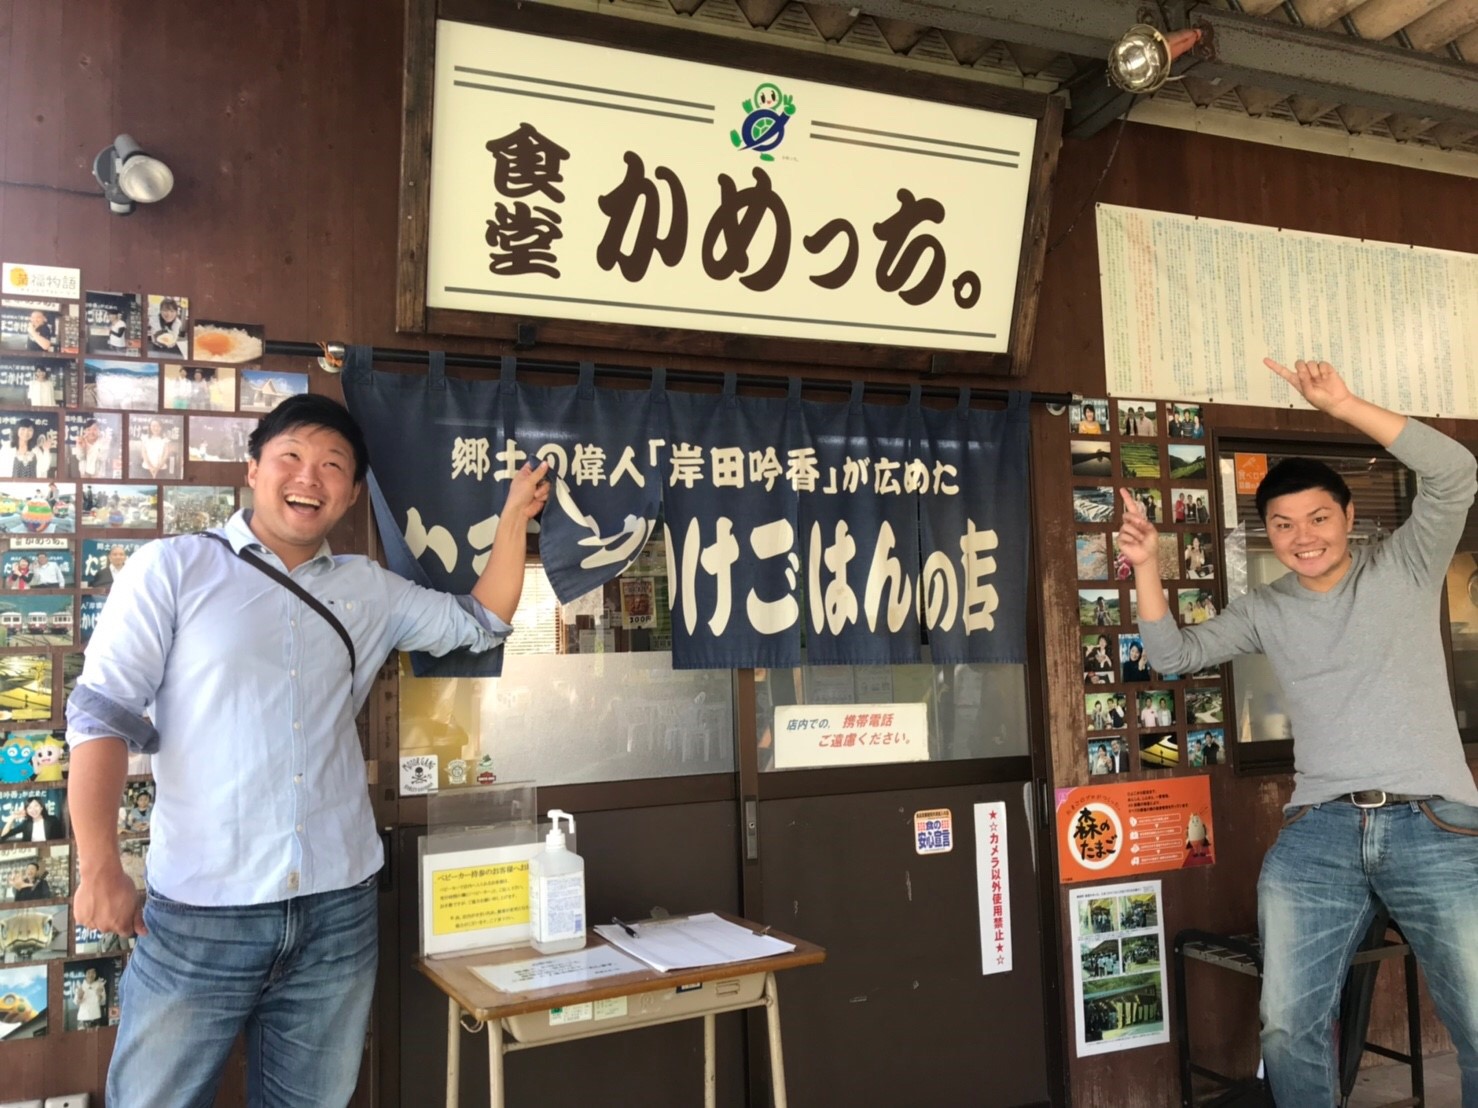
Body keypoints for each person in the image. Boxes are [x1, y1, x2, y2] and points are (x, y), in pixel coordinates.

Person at [65, 393, 550, 1108]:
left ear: (351, 495)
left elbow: (481, 621)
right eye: (290, 456)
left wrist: (513, 518)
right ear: (253, 469)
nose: (309, 478)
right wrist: (99, 866)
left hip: (337, 910)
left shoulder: (369, 589)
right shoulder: (172, 568)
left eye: (332, 466)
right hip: (203, 911)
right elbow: (100, 716)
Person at [1119, 357, 1478, 1107]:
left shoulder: (1407, 565)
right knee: (1286, 1025)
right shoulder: (1266, 608)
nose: (1303, 537)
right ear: (1269, 535)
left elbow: (1454, 471)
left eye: (1318, 518)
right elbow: (1174, 656)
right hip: (1320, 830)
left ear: (1349, 518)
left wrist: (1343, 405)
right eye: (1283, 525)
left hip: (1434, 822)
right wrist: (1148, 565)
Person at [0, 796, 65, 841]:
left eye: (36, 806)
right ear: (26, 810)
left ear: (41, 807)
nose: (33, 810)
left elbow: (60, 838)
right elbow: (3, 836)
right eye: (29, 807)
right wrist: (12, 818)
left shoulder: (52, 820)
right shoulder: (26, 824)